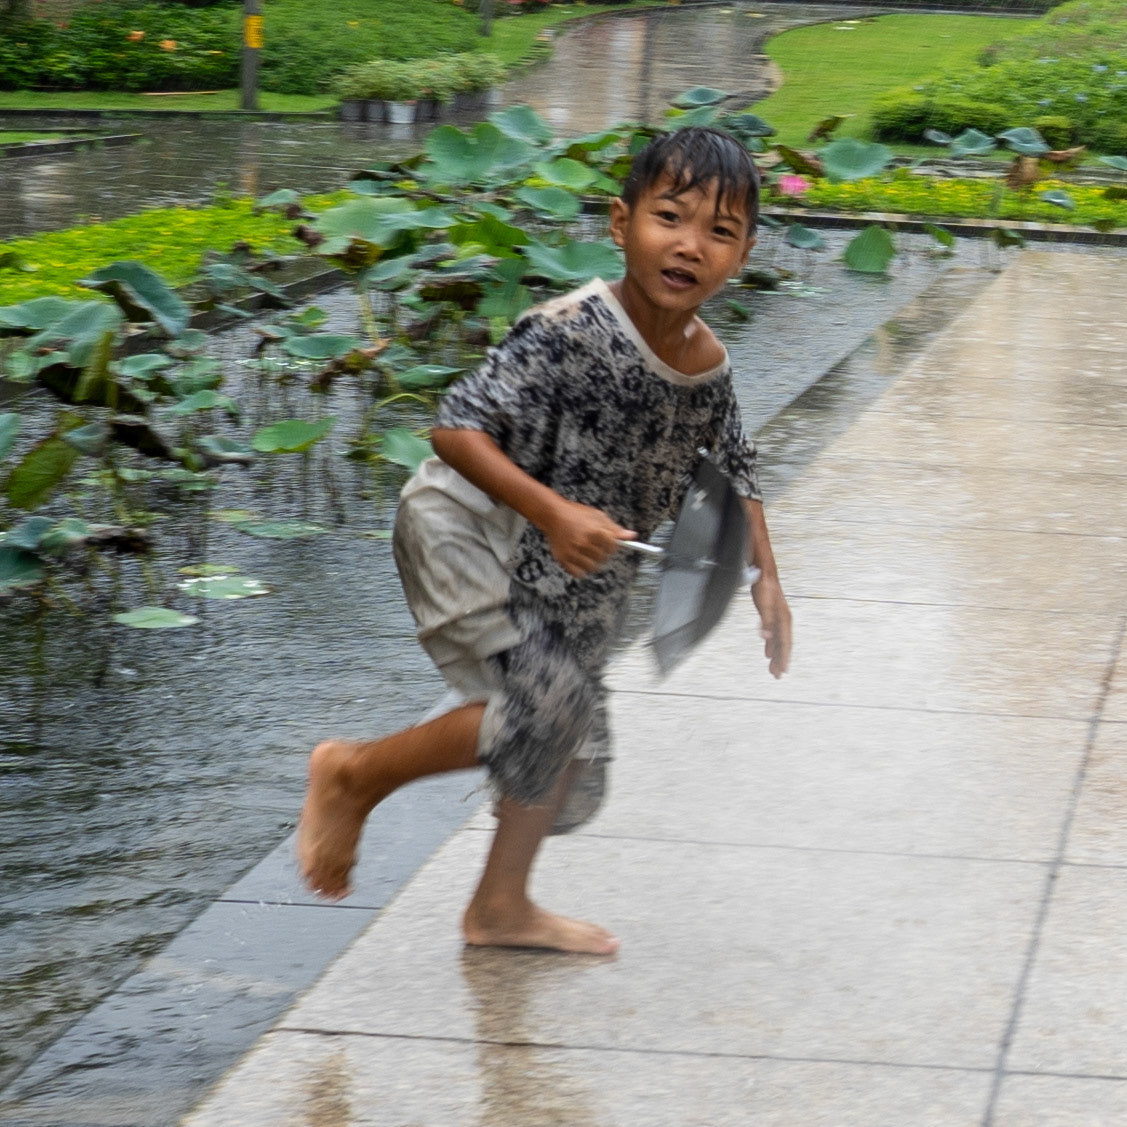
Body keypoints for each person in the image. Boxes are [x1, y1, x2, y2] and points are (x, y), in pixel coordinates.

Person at [297, 125, 792, 956]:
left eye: (719, 231)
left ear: (742, 255)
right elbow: (455, 427)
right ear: (620, 223)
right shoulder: (569, 330)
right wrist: (554, 510)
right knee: (543, 708)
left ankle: (499, 906)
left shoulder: (707, 364)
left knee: (567, 747)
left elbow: (732, 461)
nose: (689, 245)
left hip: (576, 565)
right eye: (669, 217)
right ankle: (354, 773)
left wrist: (766, 577)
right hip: (471, 528)